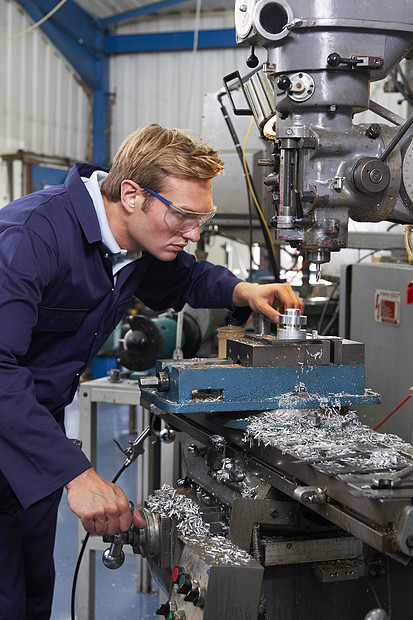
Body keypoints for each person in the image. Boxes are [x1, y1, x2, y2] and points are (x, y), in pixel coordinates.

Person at [0, 123, 303, 618]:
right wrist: (76, 474)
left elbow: (185, 277)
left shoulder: (134, 245)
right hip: (10, 420)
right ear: (131, 194)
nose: (193, 233)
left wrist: (240, 291)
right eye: (183, 216)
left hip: (33, 427)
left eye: (201, 218)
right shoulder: (29, 238)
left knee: (33, 586)